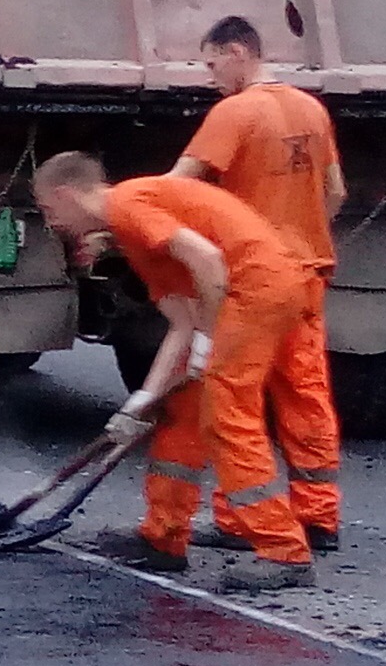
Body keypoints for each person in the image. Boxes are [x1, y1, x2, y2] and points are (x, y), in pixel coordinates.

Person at [34, 152, 320, 593]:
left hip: (255, 288)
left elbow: (208, 262)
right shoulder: (134, 238)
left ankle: (283, 550)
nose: (51, 223)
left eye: (50, 211)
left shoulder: (128, 206)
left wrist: (208, 339)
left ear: (66, 195)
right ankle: (163, 537)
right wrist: (141, 403)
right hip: (243, 289)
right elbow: (180, 323)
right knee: (179, 409)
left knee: (227, 414)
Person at [168, 15, 347, 554]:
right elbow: (335, 192)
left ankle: (244, 519)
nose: (208, 75)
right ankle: (318, 518)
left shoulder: (235, 113)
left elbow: (177, 186)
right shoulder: (311, 110)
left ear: (238, 51)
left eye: (211, 61)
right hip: (307, 274)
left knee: (235, 400)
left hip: (253, 280)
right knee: (306, 395)